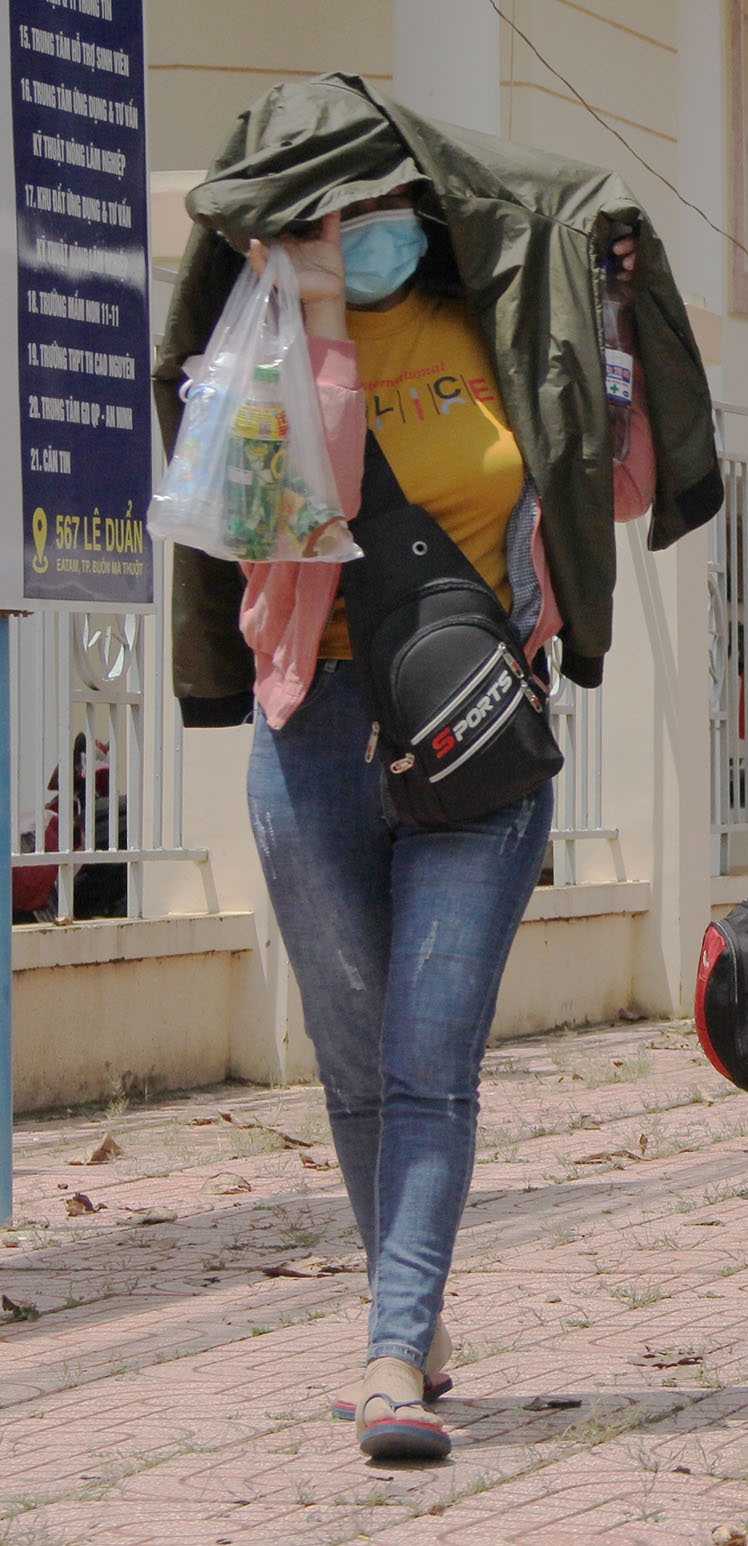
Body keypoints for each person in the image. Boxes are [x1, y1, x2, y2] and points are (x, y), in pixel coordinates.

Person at [204, 209, 676, 1457]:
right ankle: (403, 1314)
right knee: (358, 1064)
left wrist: (613, 321)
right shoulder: (264, 327)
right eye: (334, 211)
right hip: (315, 726)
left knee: (427, 1055)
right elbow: (296, 503)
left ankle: (394, 1347)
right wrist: (315, 319)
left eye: (385, 204)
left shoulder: (507, 328)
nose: (364, 231)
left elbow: (620, 483)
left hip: (478, 736)